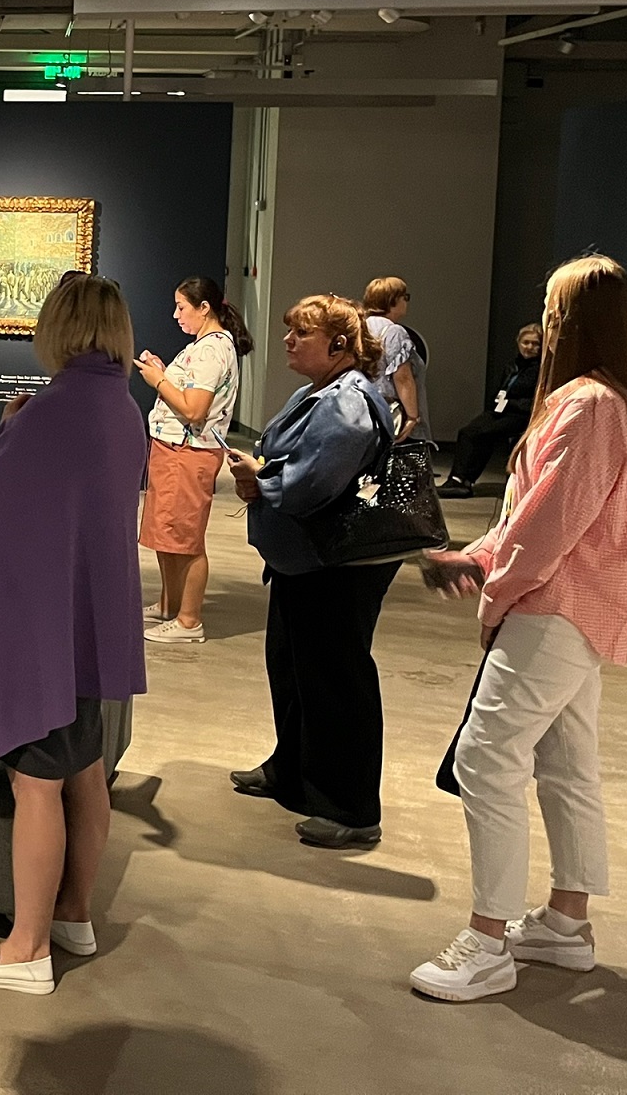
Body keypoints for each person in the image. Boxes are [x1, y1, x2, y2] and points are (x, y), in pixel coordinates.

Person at [407, 256, 627, 1003]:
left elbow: (548, 527)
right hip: (579, 606)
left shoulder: (589, 406)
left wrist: (495, 587)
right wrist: (479, 557)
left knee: (486, 758)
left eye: (553, 308)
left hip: (558, 608)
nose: (544, 320)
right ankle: (567, 922)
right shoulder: (608, 402)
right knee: (566, 761)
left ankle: (487, 941)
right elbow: (532, 515)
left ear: (574, 320)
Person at [0, 274, 148, 995]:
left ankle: (24, 950)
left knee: (35, 783)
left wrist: (5, 430)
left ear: (58, 326)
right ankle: (73, 915)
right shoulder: (122, 405)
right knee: (85, 768)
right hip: (91, 620)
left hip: (45, 626)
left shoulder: (51, 410)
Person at [224, 295, 399, 849]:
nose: (288, 340)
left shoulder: (347, 402)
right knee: (294, 669)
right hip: (304, 561)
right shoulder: (319, 392)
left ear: (339, 344)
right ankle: (295, 773)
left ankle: (351, 808)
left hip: (335, 566)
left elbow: (313, 483)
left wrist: (260, 478)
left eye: (301, 333)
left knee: (335, 681)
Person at [135, 276, 253, 645]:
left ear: (204, 308)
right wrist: (165, 372)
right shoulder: (205, 347)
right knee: (168, 534)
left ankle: (188, 620)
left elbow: (194, 409)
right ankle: (170, 604)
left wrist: (158, 379)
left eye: (182, 307)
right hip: (176, 449)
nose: (176, 315)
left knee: (185, 537)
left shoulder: (212, 349)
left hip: (188, 451)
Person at [439, 322, 544, 499]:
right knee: (468, 432)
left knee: (481, 433)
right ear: (518, 342)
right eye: (526, 342)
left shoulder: (540, 371)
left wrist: (510, 403)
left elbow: (534, 401)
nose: (529, 347)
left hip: (521, 414)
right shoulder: (513, 366)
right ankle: (460, 480)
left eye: (535, 344)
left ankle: (462, 480)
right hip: (501, 410)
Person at [363, 275, 430, 441]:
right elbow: (403, 377)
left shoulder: (359, 328)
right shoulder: (394, 332)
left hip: (362, 412)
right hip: (391, 415)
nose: (406, 302)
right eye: (404, 297)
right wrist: (412, 417)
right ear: (392, 300)